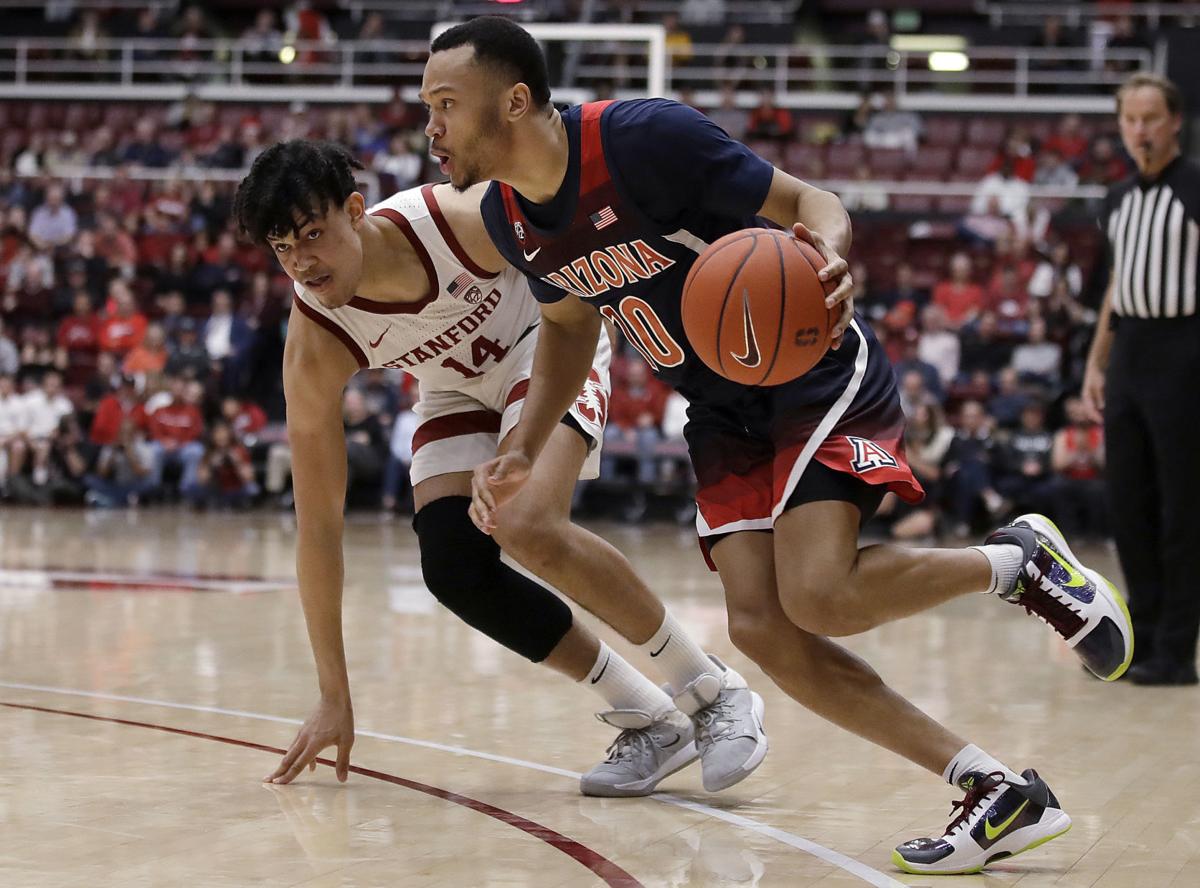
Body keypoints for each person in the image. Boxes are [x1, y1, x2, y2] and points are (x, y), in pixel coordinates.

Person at [426, 17, 1133, 874]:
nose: (430, 125)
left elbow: (810, 203)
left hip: (812, 370)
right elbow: (570, 325)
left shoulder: (642, 137)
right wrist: (525, 444)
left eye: (445, 103)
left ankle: (1017, 563)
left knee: (822, 595)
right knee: (761, 624)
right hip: (721, 411)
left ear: (514, 100)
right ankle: (992, 788)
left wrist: (829, 256)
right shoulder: (508, 216)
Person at [233, 141, 767, 795]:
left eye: (313, 235)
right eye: (283, 249)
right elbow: (318, 526)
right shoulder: (315, 338)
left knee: (525, 519)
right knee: (454, 566)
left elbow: (570, 262)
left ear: (355, 209)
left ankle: (711, 689)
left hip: (546, 341)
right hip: (455, 387)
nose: (302, 263)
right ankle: (649, 718)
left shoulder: (458, 219)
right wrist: (332, 693)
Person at [1081, 73, 1200, 686]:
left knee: (1182, 506)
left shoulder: (1195, 187)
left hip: (1185, 348)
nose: (1141, 130)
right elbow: (1115, 290)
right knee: (1128, 505)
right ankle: (1143, 636)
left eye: (1152, 118)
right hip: (1130, 351)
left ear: (1175, 121)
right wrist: (1096, 364)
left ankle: (1177, 650)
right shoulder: (1118, 199)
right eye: (1131, 119)